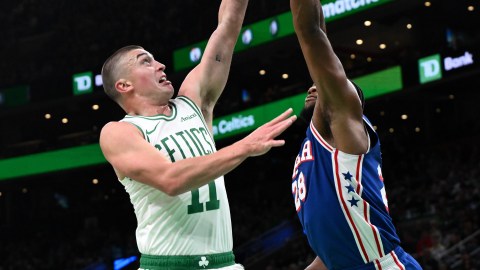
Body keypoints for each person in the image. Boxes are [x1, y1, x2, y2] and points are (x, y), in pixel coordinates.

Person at [98, 0, 297, 269]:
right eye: (146, 62)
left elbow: (226, 28)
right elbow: (170, 179)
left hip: (224, 263)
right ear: (124, 85)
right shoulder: (119, 132)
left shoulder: (193, 103)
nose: (161, 65)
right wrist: (245, 146)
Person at [289, 0, 423, 269]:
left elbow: (311, 32)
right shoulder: (315, 146)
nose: (314, 87)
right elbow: (331, 251)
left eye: (324, 86)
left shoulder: (345, 127)